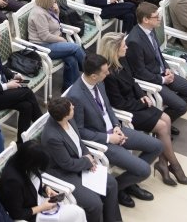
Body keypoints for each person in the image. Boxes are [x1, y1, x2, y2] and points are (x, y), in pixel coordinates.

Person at [66, 54, 163, 208]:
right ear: (94, 76)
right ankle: (116, 189)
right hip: (102, 140)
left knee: (157, 146)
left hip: (115, 129)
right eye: (105, 72)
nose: (109, 74)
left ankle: (127, 183)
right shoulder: (76, 96)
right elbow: (80, 131)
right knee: (144, 170)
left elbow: (108, 108)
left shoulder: (99, 83)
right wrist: (108, 138)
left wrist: (116, 125)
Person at [99, 33, 187, 190]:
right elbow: (119, 103)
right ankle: (175, 166)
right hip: (129, 110)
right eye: (123, 45)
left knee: (167, 119)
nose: (127, 47)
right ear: (114, 49)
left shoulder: (123, 60)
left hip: (137, 102)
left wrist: (142, 95)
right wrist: (140, 104)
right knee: (162, 127)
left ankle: (163, 163)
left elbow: (133, 81)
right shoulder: (108, 74)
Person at [40, 97, 122, 222]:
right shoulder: (52, 137)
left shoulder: (68, 119)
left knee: (111, 183)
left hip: (80, 162)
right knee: (94, 204)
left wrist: (89, 156)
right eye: (71, 108)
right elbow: (67, 164)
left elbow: (78, 142)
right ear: (65, 115)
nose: (73, 107)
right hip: (64, 173)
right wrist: (87, 162)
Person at [126, 1, 187, 120]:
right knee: (182, 107)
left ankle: (167, 114)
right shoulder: (134, 41)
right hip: (152, 80)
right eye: (156, 17)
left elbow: (157, 54)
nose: (160, 18)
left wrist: (167, 68)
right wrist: (163, 80)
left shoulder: (150, 29)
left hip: (162, 72)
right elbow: (140, 72)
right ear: (146, 20)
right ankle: (164, 121)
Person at [0, 139, 87, 222]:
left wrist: (46, 188)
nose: (38, 170)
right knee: (76, 214)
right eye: (38, 167)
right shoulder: (12, 181)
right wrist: (42, 207)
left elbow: (31, 183)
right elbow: (17, 214)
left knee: (78, 212)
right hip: (32, 215)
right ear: (30, 163)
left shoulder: (25, 161)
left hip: (41, 203)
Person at [28, 0, 86, 90]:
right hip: (42, 46)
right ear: (47, 0)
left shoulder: (47, 7)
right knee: (76, 48)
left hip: (53, 41)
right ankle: (89, 71)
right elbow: (44, 36)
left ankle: (68, 87)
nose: (55, 1)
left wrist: (57, 12)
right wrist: (61, 40)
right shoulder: (39, 14)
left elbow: (55, 25)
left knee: (71, 59)